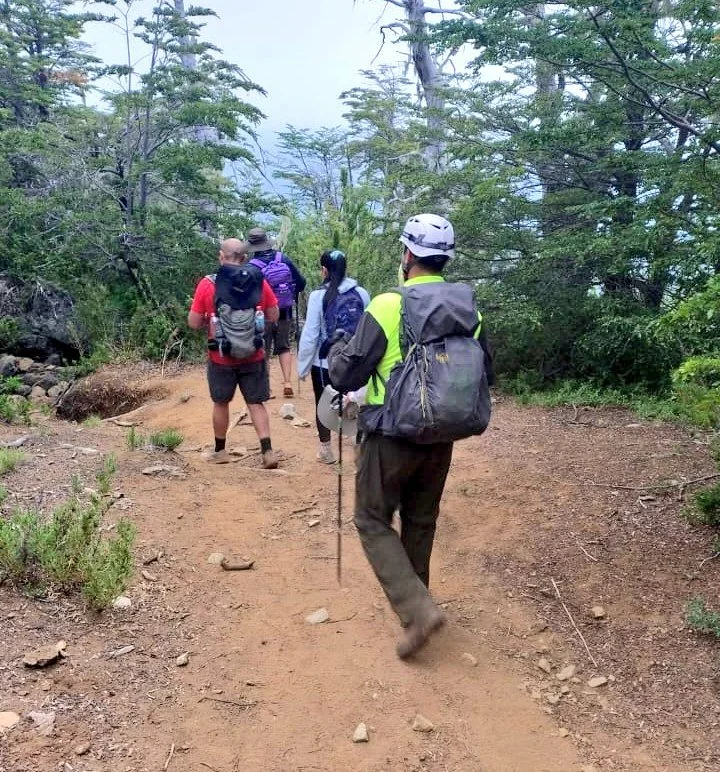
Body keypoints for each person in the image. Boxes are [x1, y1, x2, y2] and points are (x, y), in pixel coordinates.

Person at [328, 213, 494, 660]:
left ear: (407, 255)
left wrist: (338, 347)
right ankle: (420, 605)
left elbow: (347, 373)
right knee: (421, 519)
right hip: (443, 434)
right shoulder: (468, 310)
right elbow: (486, 370)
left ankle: (418, 611)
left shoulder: (387, 304)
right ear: (444, 258)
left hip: (391, 434)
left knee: (371, 518)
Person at [188, 238, 280, 469]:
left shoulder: (208, 284)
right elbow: (274, 314)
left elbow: (193, 322)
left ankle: (220, 451)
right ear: (245, 258)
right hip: (254, 355)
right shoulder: (258, 281)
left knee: (221, 402)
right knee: (256, 403)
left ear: (221, 256)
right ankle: (267, 451)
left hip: (221, 356)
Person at [297, 250, 370, 464]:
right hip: (354, 361)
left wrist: (302, 366)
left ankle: (326, 450)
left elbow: (311, 334)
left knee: (324, 404)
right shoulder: (362, 293)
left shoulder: (318, 296)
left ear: (324, 270)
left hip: (324, 363)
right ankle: (359, 448)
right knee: (355, 402)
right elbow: (368, 330)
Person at [246, 227, 307, 398]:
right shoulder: (283, 259)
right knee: (284, 346)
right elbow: (301, 282)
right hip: (284, 310)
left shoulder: (251, 267)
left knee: (262, 349)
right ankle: (287, 382)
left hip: (262, 314)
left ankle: (266, 387)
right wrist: (291, 292)